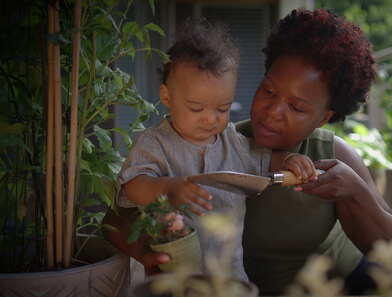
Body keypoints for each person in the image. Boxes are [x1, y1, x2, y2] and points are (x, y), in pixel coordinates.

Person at [104, 9, 392, 296]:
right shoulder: (225, 141)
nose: (272, 111)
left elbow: (389, 250)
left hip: (341, 283)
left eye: (295, 106)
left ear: (323, 116)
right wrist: (149, 256)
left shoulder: (328, 152)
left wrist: (354, 190)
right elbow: (115, 220)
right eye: (268, 90)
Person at [116, 18, 317, 281]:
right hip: (170, 276)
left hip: (228, 276)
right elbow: (133, 186)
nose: (211, 119)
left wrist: (290, 159)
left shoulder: (231, 141)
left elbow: (265, 160)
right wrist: (167, 189)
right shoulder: (153, 144)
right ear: (167, 97)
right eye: (196, 108)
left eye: (222, 108)